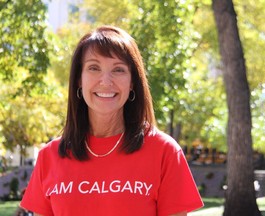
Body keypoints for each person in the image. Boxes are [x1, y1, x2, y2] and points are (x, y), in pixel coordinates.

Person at [20, 25, 203, 216]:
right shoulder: (49, 157)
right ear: (79, 80)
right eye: (93, 68)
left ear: (132, 82)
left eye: (118, 70)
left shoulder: (164, 151)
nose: (105, 81)